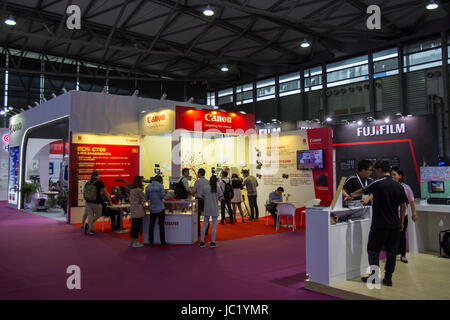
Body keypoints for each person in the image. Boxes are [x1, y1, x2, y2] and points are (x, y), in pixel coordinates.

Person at [351, 160, 408, 287]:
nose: (376, 173)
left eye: (376, 171)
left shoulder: (377, 183)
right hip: (394, 224)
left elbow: (363, 191)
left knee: (372, 250)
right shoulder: (398, 185)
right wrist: (401, 222)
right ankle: (388, 278)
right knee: (391, 252)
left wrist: (350, 195)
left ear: (380, 170)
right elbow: (404, 205)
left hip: (379, 225)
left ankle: (374, 276)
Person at [391, 167, 418, 263]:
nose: (392, 176)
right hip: (392, 215)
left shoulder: (406, 188)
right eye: (392, 174)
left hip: (403, 215)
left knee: (402, 235)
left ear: (400, 176)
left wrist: (414, 214)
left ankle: (403, 255)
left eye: (394, 174)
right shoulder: (390, 186)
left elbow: (411, 202)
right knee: (392, 236)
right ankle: (392, 254)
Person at [83, 170, 111, 235]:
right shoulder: (99, 182)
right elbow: (105, 192)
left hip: (87, 201)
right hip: (96, 202)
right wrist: (109, 200)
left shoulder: (87, 182)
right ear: (98, 175)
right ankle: (88, 225)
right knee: (99, 214)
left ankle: (91, 229)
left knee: (90, 215)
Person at [199, 175, 224, 248]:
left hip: (207, 208)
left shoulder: (205, 187)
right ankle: (212, 242)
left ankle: (202, 242)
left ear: (209, 180)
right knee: (214, 226)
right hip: (214, 208)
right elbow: (221, 198)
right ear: (216, 181)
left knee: (205, 225)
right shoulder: (218, 188)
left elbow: (202, 197)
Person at [146, 175, 167, 247]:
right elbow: (163, 196)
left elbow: (146, 198)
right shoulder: (161, 186)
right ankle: (163, 243)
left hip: (152, 208)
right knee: (161, 226)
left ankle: (151, 242)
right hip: (160, 208)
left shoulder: (148, 187)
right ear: (160, 180)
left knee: (151, 226)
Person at [129, 176, 146, 248]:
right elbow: (143, 199)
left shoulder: (131, 190)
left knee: (133, 226)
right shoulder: (139, 190)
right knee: (136, 227)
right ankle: (135, 242)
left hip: (133, 209)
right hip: (138, 210)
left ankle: (131, 242)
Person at [192, 168, 210, 236]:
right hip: (206, 199)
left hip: (198, 200)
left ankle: (198, 232)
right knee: (206, 215)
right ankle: (206, 231)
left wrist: (192, 192)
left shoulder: (197, 182)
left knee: (198, 216)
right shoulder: (207, 181)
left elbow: (193, 191)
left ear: (199, 173)